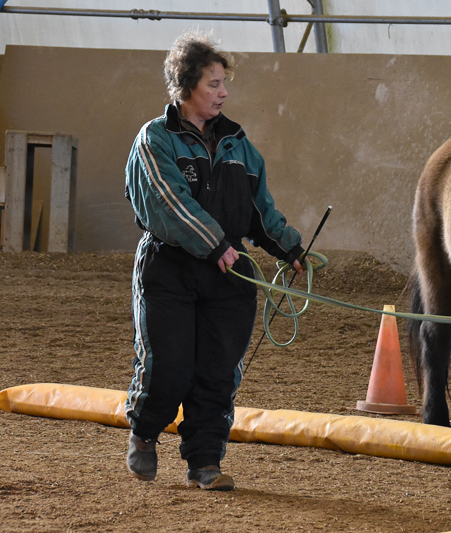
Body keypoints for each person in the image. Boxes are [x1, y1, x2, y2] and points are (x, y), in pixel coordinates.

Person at [123, 30, 305, 491]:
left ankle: (205, 461)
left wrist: (290, 248)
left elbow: (259, 208)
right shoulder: (155, 140)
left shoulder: (240, 147)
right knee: (169, 366)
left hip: (228, 274)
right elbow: (168, 203)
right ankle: (145, 431)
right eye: (213, 84)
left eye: (224, 83)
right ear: (185, 86)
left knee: (218, 371)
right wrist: (217, 243)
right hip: (169, 268)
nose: (223, 93)